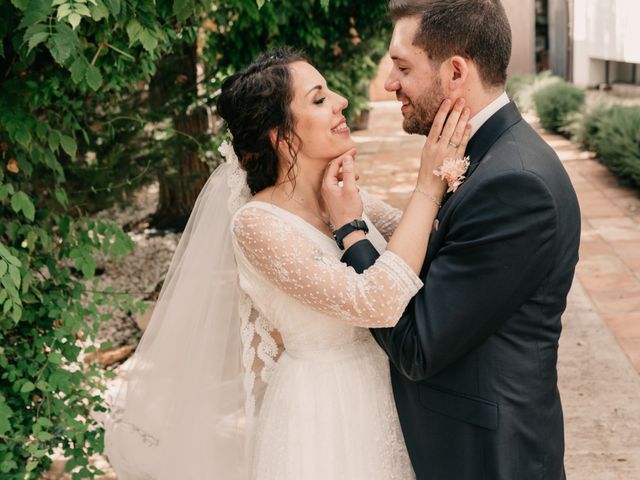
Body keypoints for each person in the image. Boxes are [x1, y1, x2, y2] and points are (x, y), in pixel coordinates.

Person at [103, 46, 471, 479]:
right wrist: (426, 184)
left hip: (385, 391)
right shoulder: (257, 225)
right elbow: (378, 302)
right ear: (282, 137)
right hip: (322, 413)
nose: (341, 102)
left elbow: (423, 242)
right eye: (318, 99)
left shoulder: (347, 196)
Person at [321, 1, 581, 479]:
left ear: (456, 71)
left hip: (487, 457)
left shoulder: (515, 184)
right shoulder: (483, 156)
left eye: (402, 67)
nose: (389, 84)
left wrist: (351, 233)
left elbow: (418, 346)